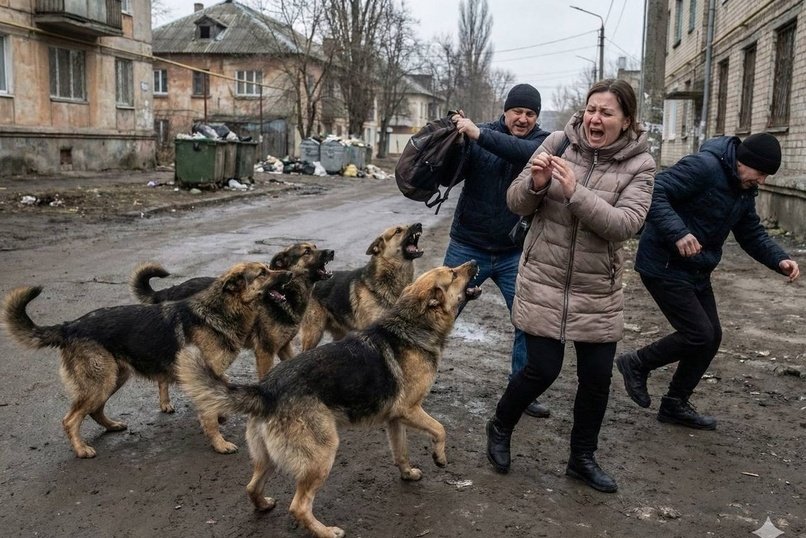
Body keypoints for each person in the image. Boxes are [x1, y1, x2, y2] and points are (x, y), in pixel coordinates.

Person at [485, 79, 656, 493]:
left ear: (627, 120)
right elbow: (515, 200)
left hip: (597, 288)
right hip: (544, 275)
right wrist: (537, 184)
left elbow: (624, 226)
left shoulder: (641, 165)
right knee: (541, 369)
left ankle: (582, 458)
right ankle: (500, 425)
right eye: (591, 109)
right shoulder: (559, 143)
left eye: (607, 112)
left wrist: (574, 192)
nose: (595, 119)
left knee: (596, 379)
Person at [615, 132, 800, 430]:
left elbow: (750, 231)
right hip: (663, 263)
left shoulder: (743, 187)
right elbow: (653, 192)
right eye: (761, 173)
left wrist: (779, 259)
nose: (762, 181)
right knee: (698, 333)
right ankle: (636, 363)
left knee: (711, 337)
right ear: (744, 161)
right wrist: (678, 233)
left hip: (696, 269)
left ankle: (674, 403)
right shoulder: (704, 167)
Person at [445, 84, 551, 418]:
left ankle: (521, 391)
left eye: (530, 113)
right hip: (467, 245)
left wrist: (476, 134)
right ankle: (406, 382)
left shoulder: (542, 142)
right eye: (517, 111)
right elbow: (450, 171)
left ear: (537, 117)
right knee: (438, 315)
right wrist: (455, 138)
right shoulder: (479, 134)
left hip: (512, 252)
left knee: (527, 322)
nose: (522, 118)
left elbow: (522, 154)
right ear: (505, 111)